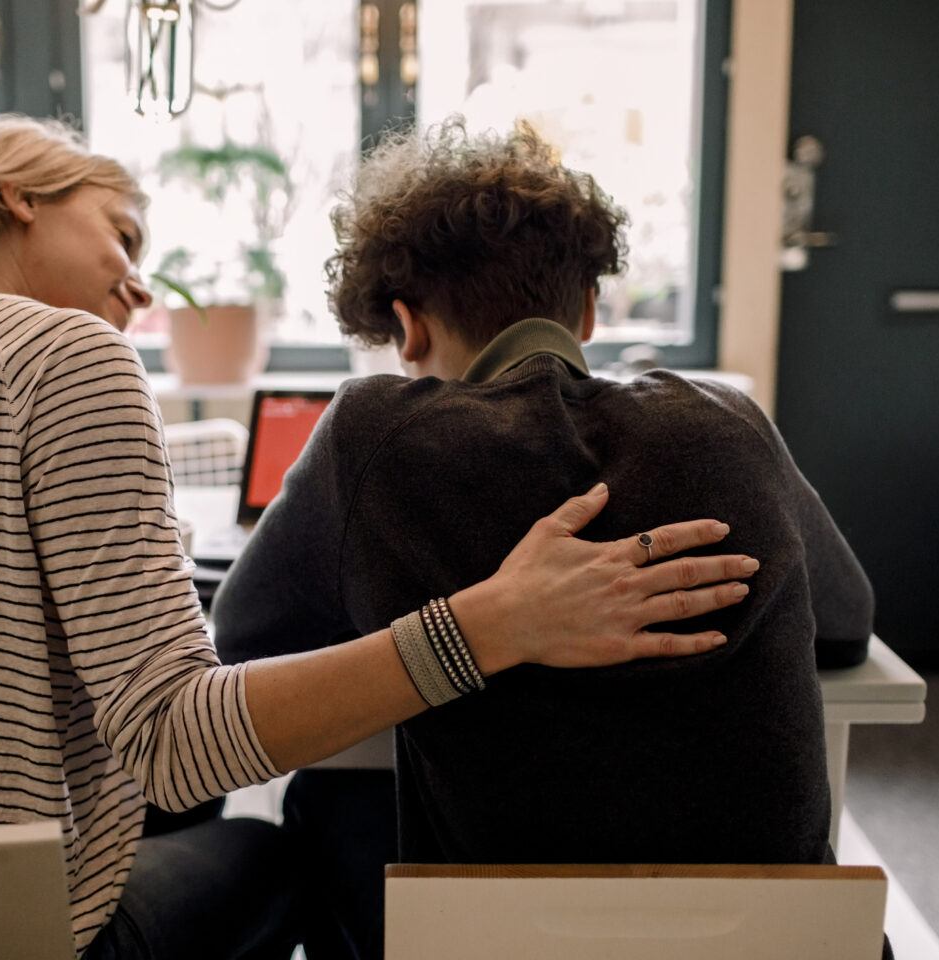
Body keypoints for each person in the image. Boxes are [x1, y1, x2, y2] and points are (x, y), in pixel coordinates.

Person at [0, 116, 755, 960]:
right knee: (289, 847)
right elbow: (179, 746)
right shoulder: (66, 353)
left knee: (190, 825)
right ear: (19, 195)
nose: (138, 288)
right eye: (124, 237)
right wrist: (489, 624)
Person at [212, 118, 876, 960]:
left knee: (324, 805)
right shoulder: (724, 421)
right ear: (589, 311)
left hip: (488, 945)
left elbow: (242, 639)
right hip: (773, 948)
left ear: (408, 328)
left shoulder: (375, 434)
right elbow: (849, 622)